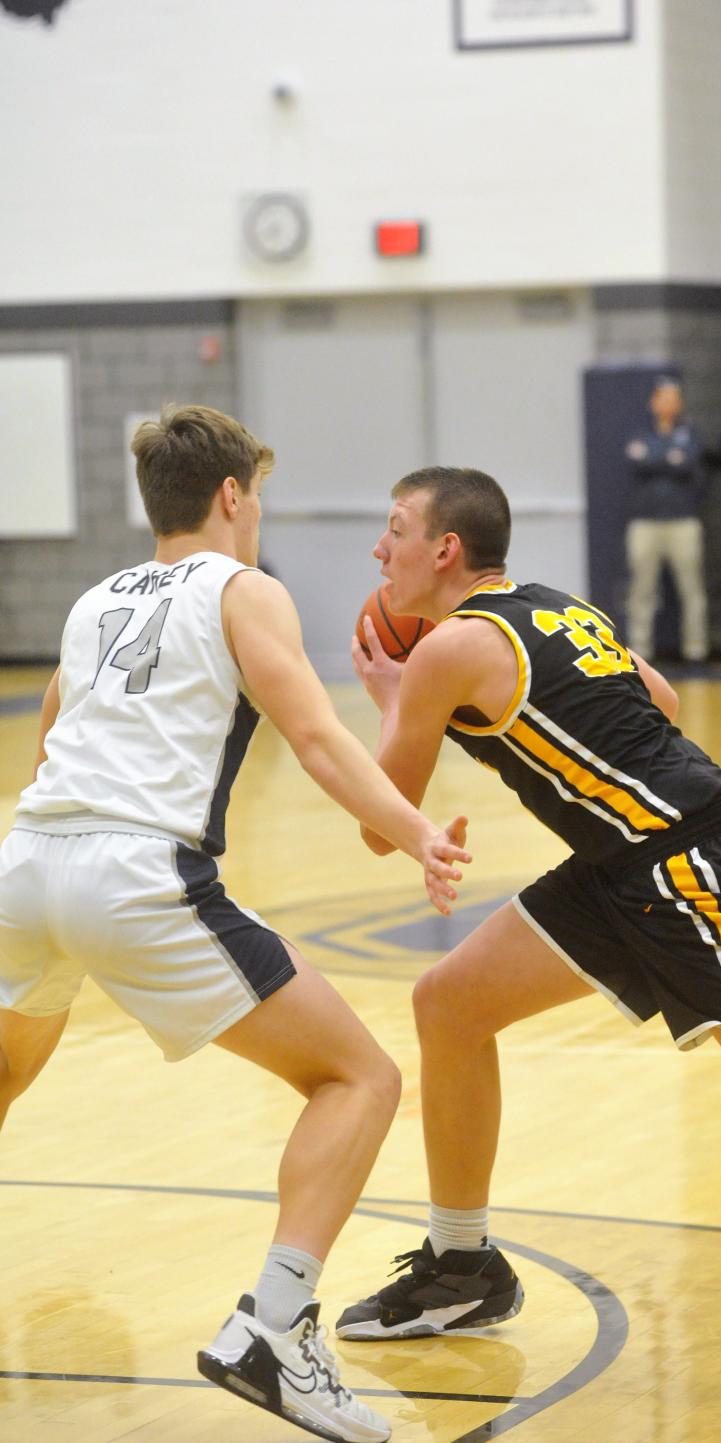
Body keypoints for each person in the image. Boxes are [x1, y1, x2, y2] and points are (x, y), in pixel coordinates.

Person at [337, 465, 721, 1343]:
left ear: (445, 549)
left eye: (394, 526)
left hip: (682, 861)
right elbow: (659, 699)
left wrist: (398, 704)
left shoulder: (444, 652)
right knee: (449, 1003)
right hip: (630, 856)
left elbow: (377, 825)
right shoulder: (554, 606)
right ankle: (462, 1265)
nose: (378, 546)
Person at [0, 405, 473, 1443]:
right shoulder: (245, 589)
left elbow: (49, 743)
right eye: (255, 495)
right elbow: (313, 734)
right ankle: (276, 1329)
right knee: (360, 1080)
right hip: (137, 875)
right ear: (230, 497)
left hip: (28, 865)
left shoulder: (92, 602)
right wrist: (415, 830)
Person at [623, 378, 708, 665]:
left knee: (691, 588)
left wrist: (658, 459)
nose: (667, 404)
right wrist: (669, 459)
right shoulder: (640, 432)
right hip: (645, 522)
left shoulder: (690, 433)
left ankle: (696, 652)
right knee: (641, 589)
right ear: (653, 402)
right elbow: (637, 461)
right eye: (662, 398)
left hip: (682, 521)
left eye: (673, 398)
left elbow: (688, 463)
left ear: (679, 403)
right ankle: (640, 652)